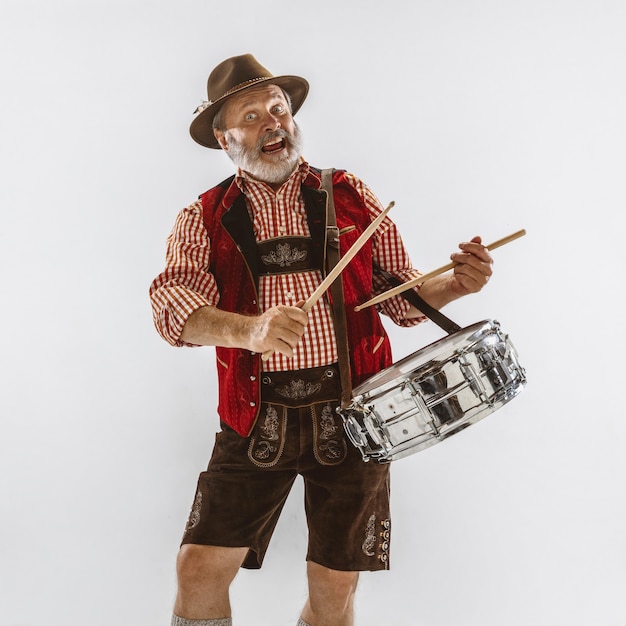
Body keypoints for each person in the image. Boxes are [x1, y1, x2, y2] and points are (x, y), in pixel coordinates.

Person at [149, 53, 493, 626]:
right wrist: (250, 330)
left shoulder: (349, 193)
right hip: (255, 417)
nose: (272, 124)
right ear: (224, 135)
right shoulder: (205, 216)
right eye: (253, 116)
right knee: (199, 568)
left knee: (334, 590)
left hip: (355, 417)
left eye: (278, 109)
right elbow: (171, 309)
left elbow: (403, 298)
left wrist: (455, 284)